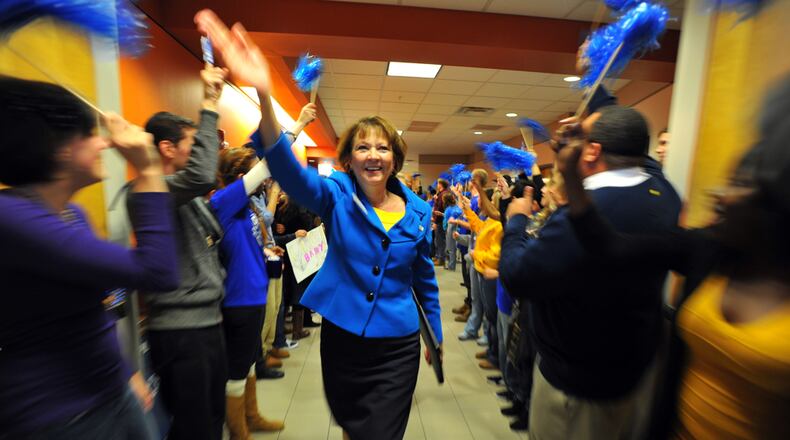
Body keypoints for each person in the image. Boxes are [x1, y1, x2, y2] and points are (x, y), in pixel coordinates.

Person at [194, 10, 443, 440]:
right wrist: (263, 90)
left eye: (382, 148)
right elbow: (287, 172)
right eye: (362, 147)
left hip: (397, 344)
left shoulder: (419, 213)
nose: (372, 154)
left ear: (394, 161)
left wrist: (434, 335)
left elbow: (425, 280)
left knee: (380, 432)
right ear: (349, 159)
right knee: (352, 425)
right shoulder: (336, 195)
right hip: (343, 337)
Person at [557, 75, 790, 440]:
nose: (719, 195)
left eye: (740, 185)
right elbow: (610, 246)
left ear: (777, 205)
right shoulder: (708, 251)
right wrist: (571, 174)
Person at [0, 77, 178, 438]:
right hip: (59, 416)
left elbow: (96, 309)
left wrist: (126, 371)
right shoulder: (11, 218)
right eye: (90, 134)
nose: (103, 143)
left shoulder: (71, 215)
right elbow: (158, 271)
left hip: (108, 392)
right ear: (60, 148)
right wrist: (147, 170)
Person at [500, 105, 682, 440]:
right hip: (631, 368)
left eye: (580, 138)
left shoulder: (580, 219)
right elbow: (635, 149)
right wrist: (590, 131)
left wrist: (516, 221)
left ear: (594, 151)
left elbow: (517, 276)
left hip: (577, 389)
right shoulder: (664, 194)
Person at [132, 64, 229, 440]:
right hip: (179, 331)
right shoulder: (149, 192)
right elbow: (204, 175)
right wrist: (209, 102)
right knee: (192, 427)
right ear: (167, 148)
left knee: (210, 419)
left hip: (207, 324)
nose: (205, 151)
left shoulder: (185, 195)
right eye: (194, 142)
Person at [211, 147, 285, 438]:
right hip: (239, 299)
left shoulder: (247, 206)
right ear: (243, 177)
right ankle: (239, 430)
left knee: (250, 359)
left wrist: (266, 249)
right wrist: (299, 126)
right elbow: (267, 167)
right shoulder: (224, 201)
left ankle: (251, 415)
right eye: (256, 173)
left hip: (254, 294)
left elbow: (244, 242)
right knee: (237, 368)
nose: (264, 181)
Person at [432, 178, 450, 266]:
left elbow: (440, 208)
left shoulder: (443, 194)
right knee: (437, 240)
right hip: (439, 219)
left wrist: (435, 221)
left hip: (440, 220)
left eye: (438, 183)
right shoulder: (440, 193)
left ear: (441, 184)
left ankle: (441, 259)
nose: (437, 185)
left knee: (440, 240)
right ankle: (438, 256)